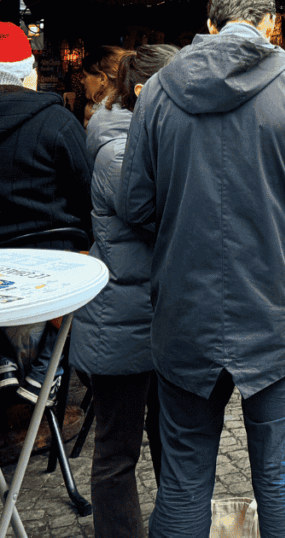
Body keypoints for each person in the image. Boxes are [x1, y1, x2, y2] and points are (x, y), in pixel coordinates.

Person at [119, 0, 285, 538]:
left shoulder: (155, 92)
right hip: (275, 313)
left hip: (184, 315)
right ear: (270, 24)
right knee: (281, 482)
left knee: (181, 487)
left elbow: (135, 204)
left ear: (210, 26)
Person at [69, 44, 179, 538]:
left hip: (153, 313)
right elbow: (164, 220)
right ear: (145, 92)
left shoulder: (151, 138)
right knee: (117, 450)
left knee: (169, 438)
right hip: (121, 319)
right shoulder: (117, 152)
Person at [0, 21, 92, 404]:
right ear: (31, 74)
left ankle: (4, 358)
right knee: (92, 271)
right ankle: (47, 368)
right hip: (54, 264)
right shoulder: (58, 122)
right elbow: (86, 194)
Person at [81, 45, 126, 127]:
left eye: (85, 76)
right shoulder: (122, 108)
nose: (82, 81)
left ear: (102, 79)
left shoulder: (109, 117)